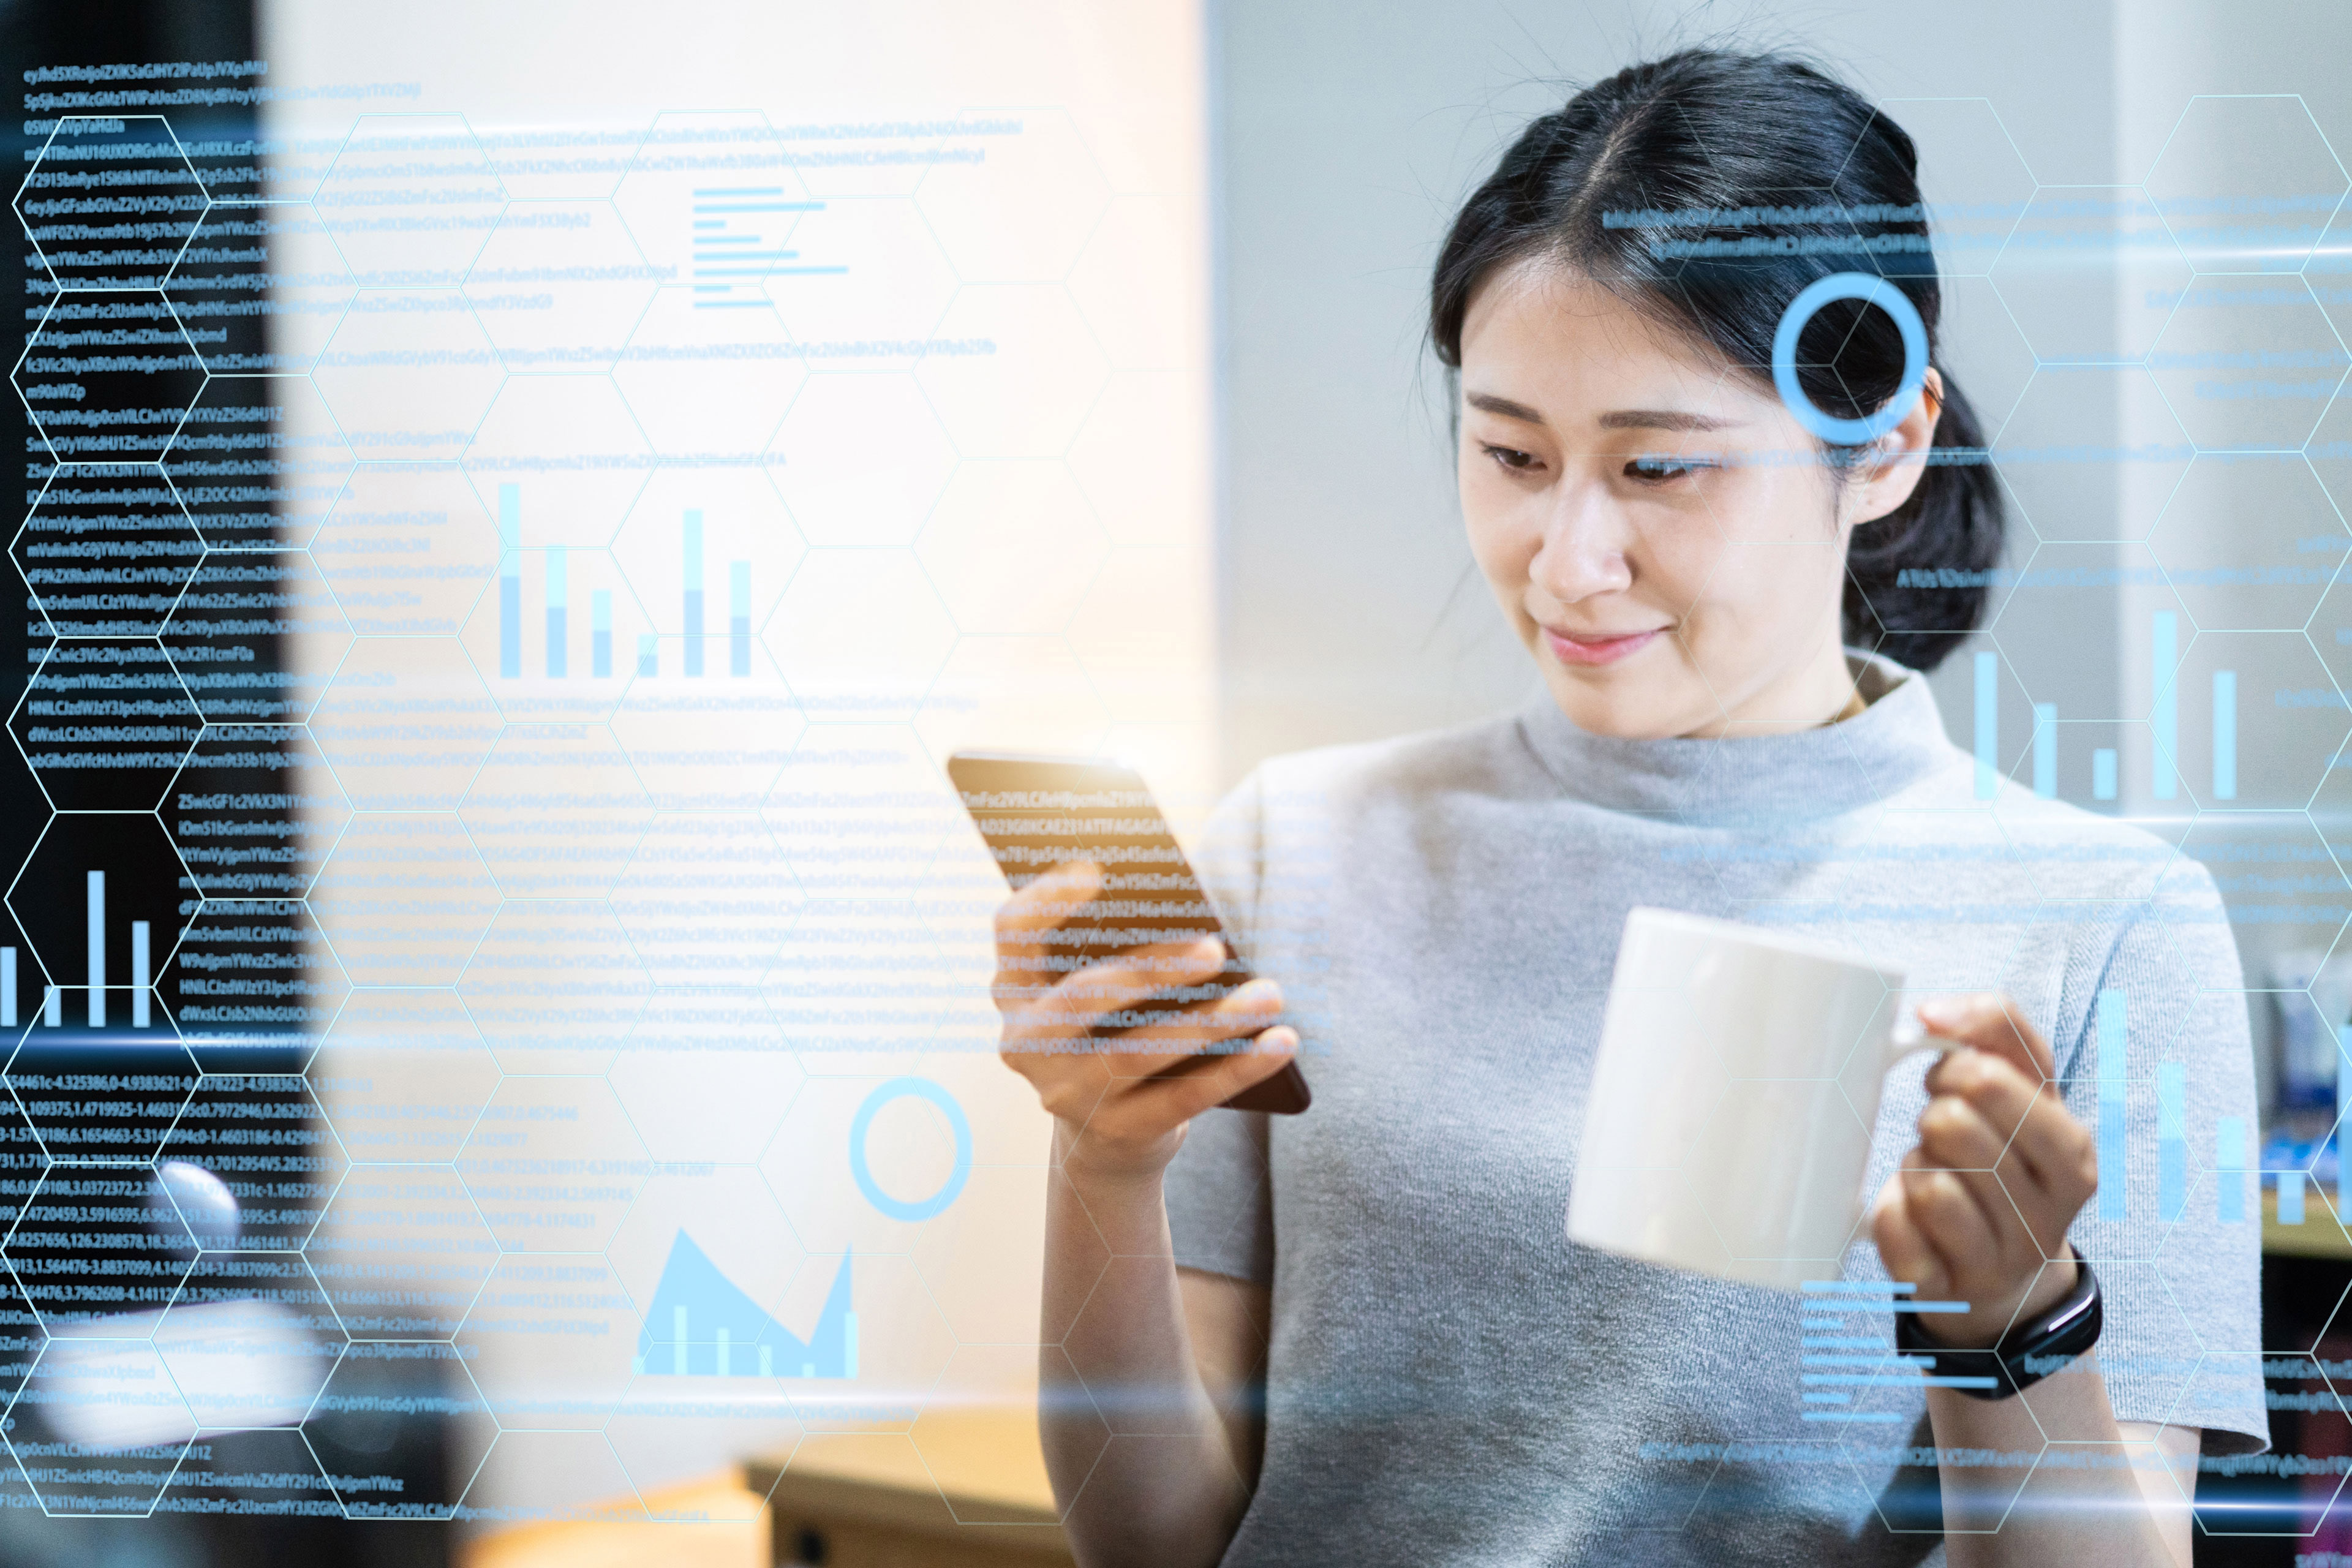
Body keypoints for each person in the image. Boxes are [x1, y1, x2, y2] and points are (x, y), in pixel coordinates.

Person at [989, 48, 2263, 1567]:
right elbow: (1155, 1538)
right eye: (1511, 452)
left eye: (1660, 466)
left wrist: (2012, 1320)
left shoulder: (2103, 922)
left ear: (1891, 444)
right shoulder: (1297, 845)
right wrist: (1104, 1164)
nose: (1567, 557)